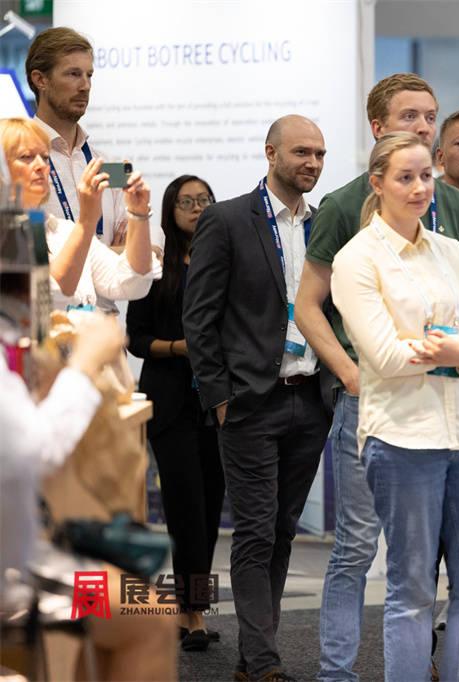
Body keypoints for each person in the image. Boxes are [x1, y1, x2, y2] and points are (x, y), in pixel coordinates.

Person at [293, 73, 459, 682]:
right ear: (378, 128)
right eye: (409, 116)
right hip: (376, 398)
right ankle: (337, 672)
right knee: (357, 547)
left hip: (452, 403)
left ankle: (426, 666)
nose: (424, 127)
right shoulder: (344, 205)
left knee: (444, 563)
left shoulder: (455, 206)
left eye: (430, 116)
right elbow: (307, 305)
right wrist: (351, 372)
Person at [330, 130, 459, 682]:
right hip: (401, 438)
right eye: (404, 178)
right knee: (411, 592)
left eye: (425, 176)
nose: (419, 188)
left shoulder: (452, 251)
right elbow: (385, 357)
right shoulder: (356, 259)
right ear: (377, 183)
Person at [182, 115, 331, 682]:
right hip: (249, 402)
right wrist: (219, 396)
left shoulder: (323, 225)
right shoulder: (226, 219)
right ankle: (265, 663)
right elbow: (199, 317)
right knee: (254, 532)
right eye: (301, 152)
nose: (312, 163)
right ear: (271, 153)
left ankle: (253, 658)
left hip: (310, 400)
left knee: (283, 531)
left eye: (319, 154)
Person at [0, 314, 179, 680]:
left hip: (21, 560)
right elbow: (33, 450)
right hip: (16, 575)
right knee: (149, 613)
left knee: (119, 604)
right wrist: (84, 364)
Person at [126, 175, 224, 652]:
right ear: (170, 210)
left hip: (216, 401)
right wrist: (179, 347)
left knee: (211, 507)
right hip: (169, 401)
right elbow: (136, 338)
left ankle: (192, 607)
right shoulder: (154, 266)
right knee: (185, 508)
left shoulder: (223, 261)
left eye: (204, 200)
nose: (197, 208)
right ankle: (193, 613)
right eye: (187, 201)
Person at [25, 27, 165, 307]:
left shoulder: (108, 164)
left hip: (104, 325)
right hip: (48, 322)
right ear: (40, 80)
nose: (85, 86)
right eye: (73, 74)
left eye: (89, 75)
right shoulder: (17, 162)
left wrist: (136, 246)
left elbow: (150, 245)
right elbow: (35, 263)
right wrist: (115, 252)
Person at [0, 117, 159, 312]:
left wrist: (138, 215)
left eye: (45, 157)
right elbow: (47, 295)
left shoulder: (62, 231)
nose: (41, 165)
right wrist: (87, 221)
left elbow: (132, 283)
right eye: (26, 157)